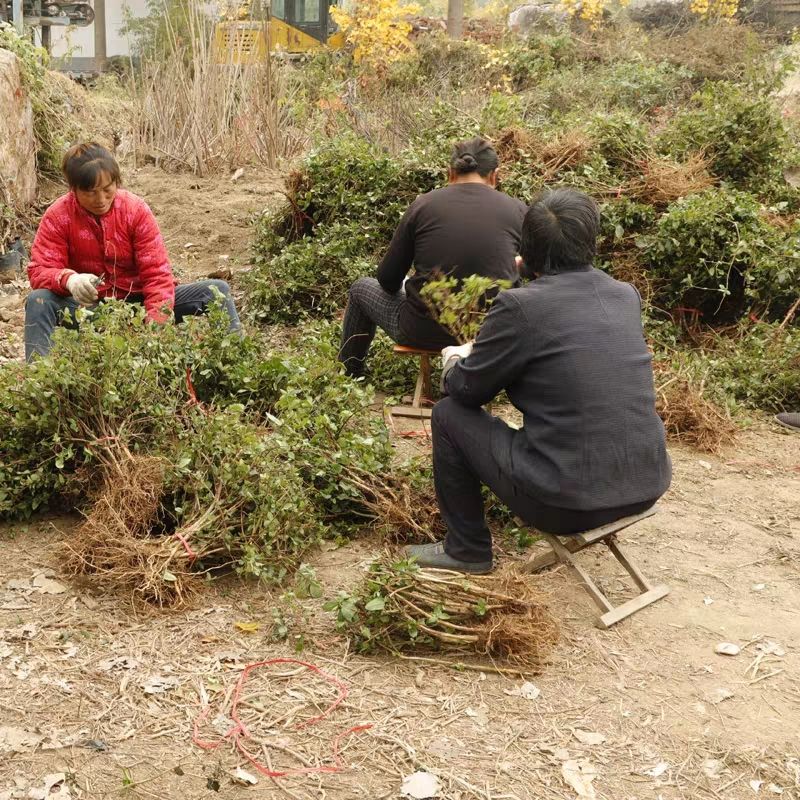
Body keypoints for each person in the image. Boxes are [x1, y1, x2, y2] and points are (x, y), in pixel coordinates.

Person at [407, 188, 672, 573]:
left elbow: (467, 390)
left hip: (565, 504)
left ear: (525, 250)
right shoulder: (624, 295)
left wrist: (454, 360)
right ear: (591, 242)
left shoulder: (520, 305)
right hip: (646, 487)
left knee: (448, 414)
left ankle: (466, 549)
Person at [24, 142, 241, 361]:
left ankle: (236, 360)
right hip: (91, 309)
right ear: (74, 189)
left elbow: (157, 274)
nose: (100, 200)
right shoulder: (59, 216)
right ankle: (39, 379)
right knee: (39, 300)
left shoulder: (135, 210)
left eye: (108, 190)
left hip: (140, 304)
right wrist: (68, 280)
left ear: (116, 182)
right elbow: (39, 270)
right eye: (90, 193)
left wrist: (155, 332)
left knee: (217, 290)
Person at [338, 136, 527, 377]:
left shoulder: (423, 205)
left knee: (360, 288)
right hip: (492, 335)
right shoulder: (518, 210)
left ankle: (350, 374)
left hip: (422, 330)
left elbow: (387, 279)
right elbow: (536, 271)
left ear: (449, 173)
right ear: (494, 175)